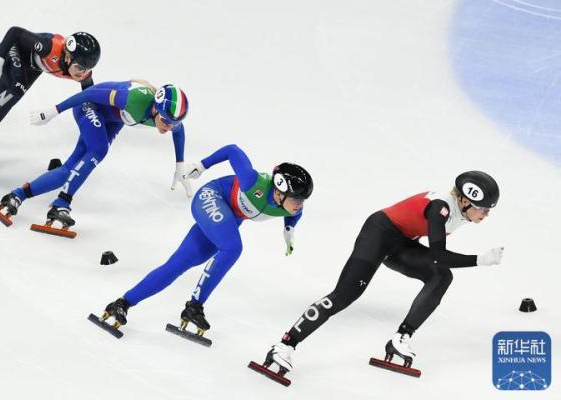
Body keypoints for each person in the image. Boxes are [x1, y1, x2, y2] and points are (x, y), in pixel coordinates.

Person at [262, 171, 504, 374]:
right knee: (344, 295)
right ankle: (285, 344)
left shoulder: (461, 212)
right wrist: (480, 260)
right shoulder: (440, 208)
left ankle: (401, 339)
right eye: (483, 209)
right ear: (464, 200)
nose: (486, 214)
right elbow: (438, 254)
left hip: (401, 242)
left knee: (441, 276)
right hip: (378, 233)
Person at [98, 144, 313, 336]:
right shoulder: (253, 182)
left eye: (302, 200)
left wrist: (289, 228)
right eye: (296, 199)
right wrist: (202, 165)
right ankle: (194, 307)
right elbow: (233, 150)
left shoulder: (290, 207)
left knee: (177, 264)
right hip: (211, 197)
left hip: (227, 219)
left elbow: (295, 214)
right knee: (232, 248)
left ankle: (122, 303)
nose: (299, 205)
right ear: (278, 192)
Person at [0, 81, 190, 230]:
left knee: (70, 170)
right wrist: (53, 111)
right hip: (89, 107)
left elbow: (179, 131)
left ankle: (17, 195)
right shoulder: (131, 99)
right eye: (165, 121)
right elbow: (90, 94)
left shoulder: (169, 118)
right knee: (99, 149)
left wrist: (179, 164)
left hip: (113, 121)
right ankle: (61, 204)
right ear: (155, 107)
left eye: (173, 123)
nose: (168, 127)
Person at [0, 27, 100, 172]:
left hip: (33, 67)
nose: (82, 73)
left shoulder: (83, 74)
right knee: (9, 93)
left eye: (87, 69)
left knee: (5, 102)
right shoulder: (49, 47)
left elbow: (90, 96)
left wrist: (94, 119)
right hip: (18, 50)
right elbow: (14, 33)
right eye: (79, 67)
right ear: (67, 57)